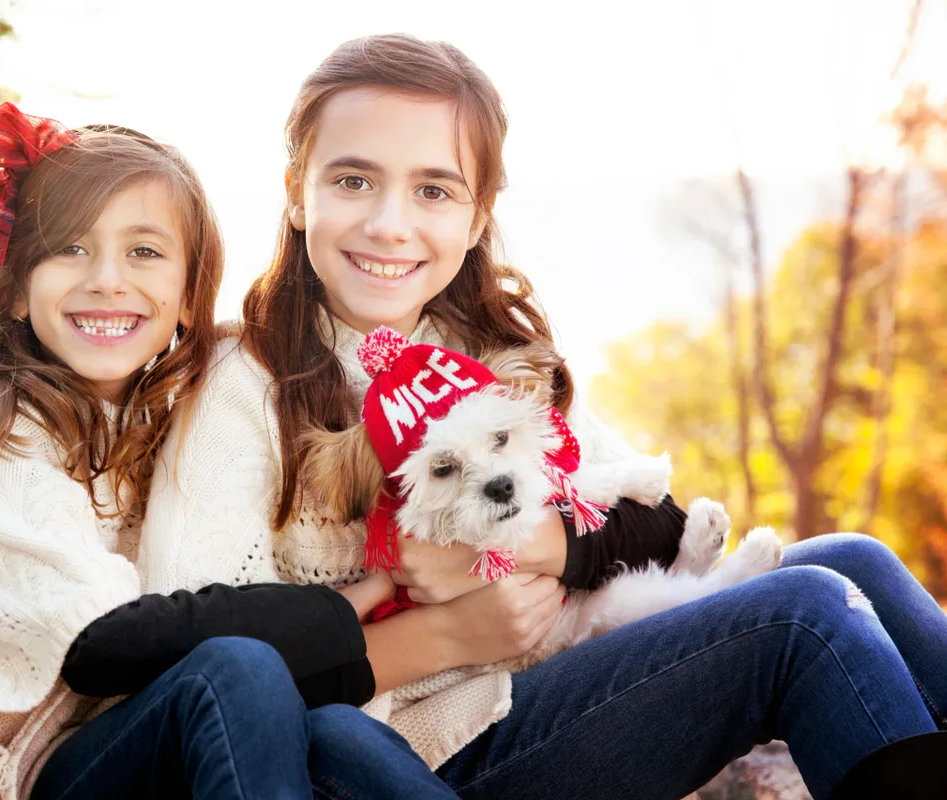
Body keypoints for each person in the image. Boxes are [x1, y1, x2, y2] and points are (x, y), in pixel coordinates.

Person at [138, 35, 947, 799]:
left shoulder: (484, 350)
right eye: (353, 181)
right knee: (801, 615)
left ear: (479, 213)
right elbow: (207, 682)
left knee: (856, 560)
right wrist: (451, 632)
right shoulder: (240, 384)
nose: (390, 223)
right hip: (412, 751)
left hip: (546, 681)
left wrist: (538, 545)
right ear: (296, 194)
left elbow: (658, 527)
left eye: (433, 189)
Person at [0, 103, 458, 799]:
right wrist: (361, 601)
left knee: (341, 732)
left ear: (191, 296)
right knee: (238, 670)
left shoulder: (170, 411)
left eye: (144, 251)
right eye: (68, 248)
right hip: (12, 778)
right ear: (14, 289)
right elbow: (99, 641)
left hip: (144, 749)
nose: (107, 277)